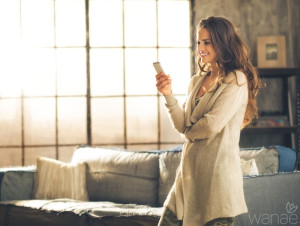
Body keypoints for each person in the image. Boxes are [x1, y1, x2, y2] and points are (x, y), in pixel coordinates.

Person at [155, 16, 260, 226]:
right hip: (188, 177)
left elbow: (211, 125)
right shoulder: (196, 80)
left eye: (207, 42)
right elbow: (181, 122)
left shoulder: (236, 80)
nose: (200, 48)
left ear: (223, 42)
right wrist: (168, 94)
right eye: (198, 42)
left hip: (217, 180)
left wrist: (187, 131)